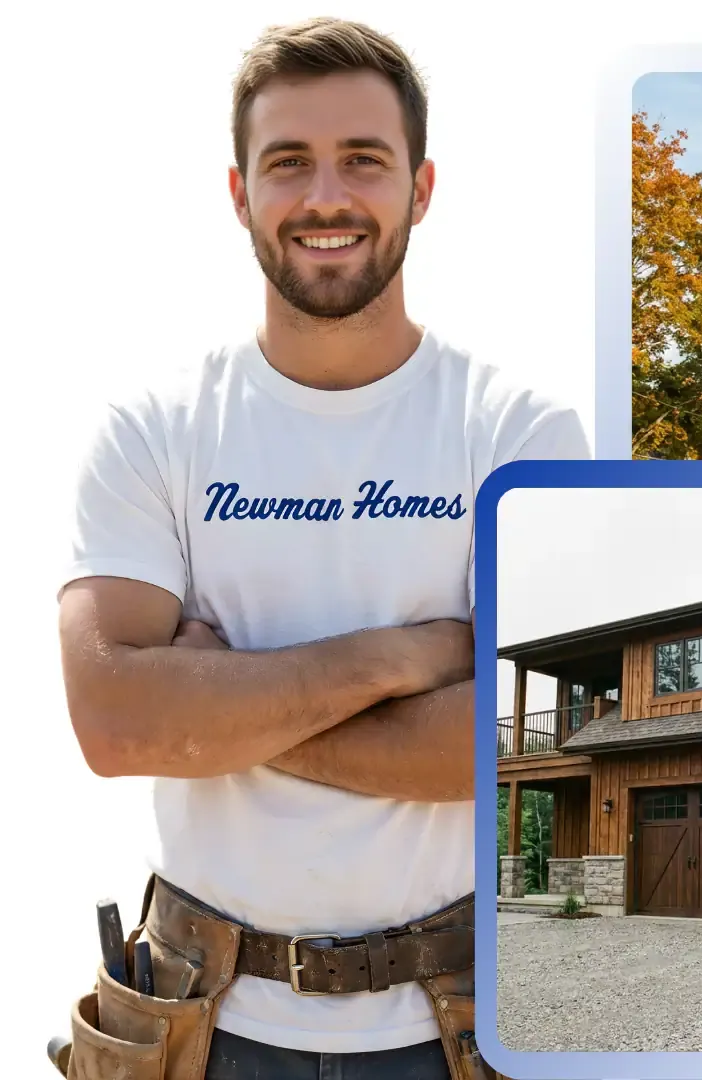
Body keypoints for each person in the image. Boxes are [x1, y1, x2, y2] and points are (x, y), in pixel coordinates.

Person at [55, 16, 588, 1080]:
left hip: (454, 1033)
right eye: (287, 162)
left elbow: (503, 744)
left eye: (363, 160)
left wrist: (211, 709)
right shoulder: (154, 431)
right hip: (197, 1032)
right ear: (239, 192)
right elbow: (115, 721)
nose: (325, 196)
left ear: (421, 189)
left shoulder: (519, 436)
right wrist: (397, 662)